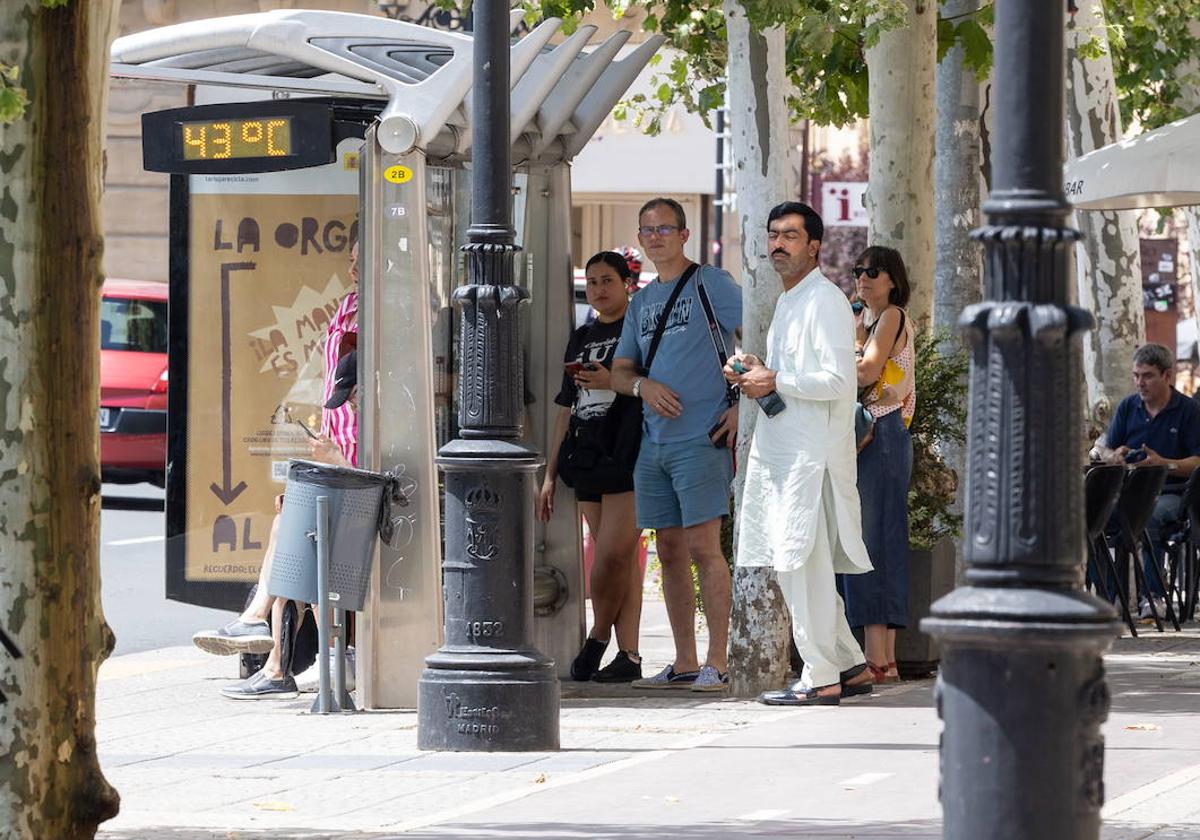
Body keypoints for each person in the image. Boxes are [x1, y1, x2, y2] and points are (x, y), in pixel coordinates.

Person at [725, 201, 873, 706]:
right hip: (785, 449)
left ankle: (821, 675)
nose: (777, 245)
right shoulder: (790, 299)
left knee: (798, 562)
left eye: (790, 235)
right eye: (772, 235)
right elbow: (787, 381)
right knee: (797, 562)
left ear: (815, 246)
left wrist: (775, 377)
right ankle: (849, 664)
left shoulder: (825, 300)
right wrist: (756, 370)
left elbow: (838, 380)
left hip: (810, 457)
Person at [611, 197, 740, 692]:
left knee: (705, 547)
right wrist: (644, 386)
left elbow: (761, 340)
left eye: (665, 228)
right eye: (647, 230)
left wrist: (740, 408)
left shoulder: (713, 284)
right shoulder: (641, 301)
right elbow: (622, 372)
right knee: (667, 549)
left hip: (702, 436)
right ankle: (684, 659)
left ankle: (717, 659)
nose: (656, 236)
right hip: (653, 442)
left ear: (684, 235)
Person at [217, 351, 359, 700]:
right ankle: (273, 662)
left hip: (362, 530)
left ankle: (267, 644)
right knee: (287, 540)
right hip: (345, 521)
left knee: (291, 545)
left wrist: (336, 459)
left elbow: (374, 485)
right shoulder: (363, 424)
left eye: (353, 397)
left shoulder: (385, 426)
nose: (352, 407)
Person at [539, 252, 645, 683]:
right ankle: (631, 656)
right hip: (584, 454)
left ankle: (598, 638)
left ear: (626, 284)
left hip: (626, 451)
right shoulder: (581, 335)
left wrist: (612, 380)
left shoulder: (637, 329)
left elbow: (647, 387)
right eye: (594, 281)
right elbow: (565, 405)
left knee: (613, 555)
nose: (600, 289)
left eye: (608, 280)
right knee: (618, 563)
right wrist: (548, 473)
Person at [840, 246, 916, 684]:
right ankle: (882, 659)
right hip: (873, 436)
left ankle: (877, 657)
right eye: (858, 270)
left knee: (874, 540)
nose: (863, 278)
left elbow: (867, 373)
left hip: (882, 434)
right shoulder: (866, 320)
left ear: (892, 278)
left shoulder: (891, 316)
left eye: (874, 271)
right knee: (873, 539)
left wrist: (841, 354)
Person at [1093, 343, 1200, 618]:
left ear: (1167, 376)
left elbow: (1198, 462)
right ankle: (1105, 598)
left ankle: (1154, 597)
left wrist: (1164, 464)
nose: (1140, 383)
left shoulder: (1188, 411)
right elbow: (1101, 448)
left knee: (1148, 515)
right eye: (1136, 376)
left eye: (1147, 376)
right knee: (1093, 519)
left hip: (1172, 494)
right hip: (1127, 491)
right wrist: (1113, 455)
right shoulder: (1129, 407)